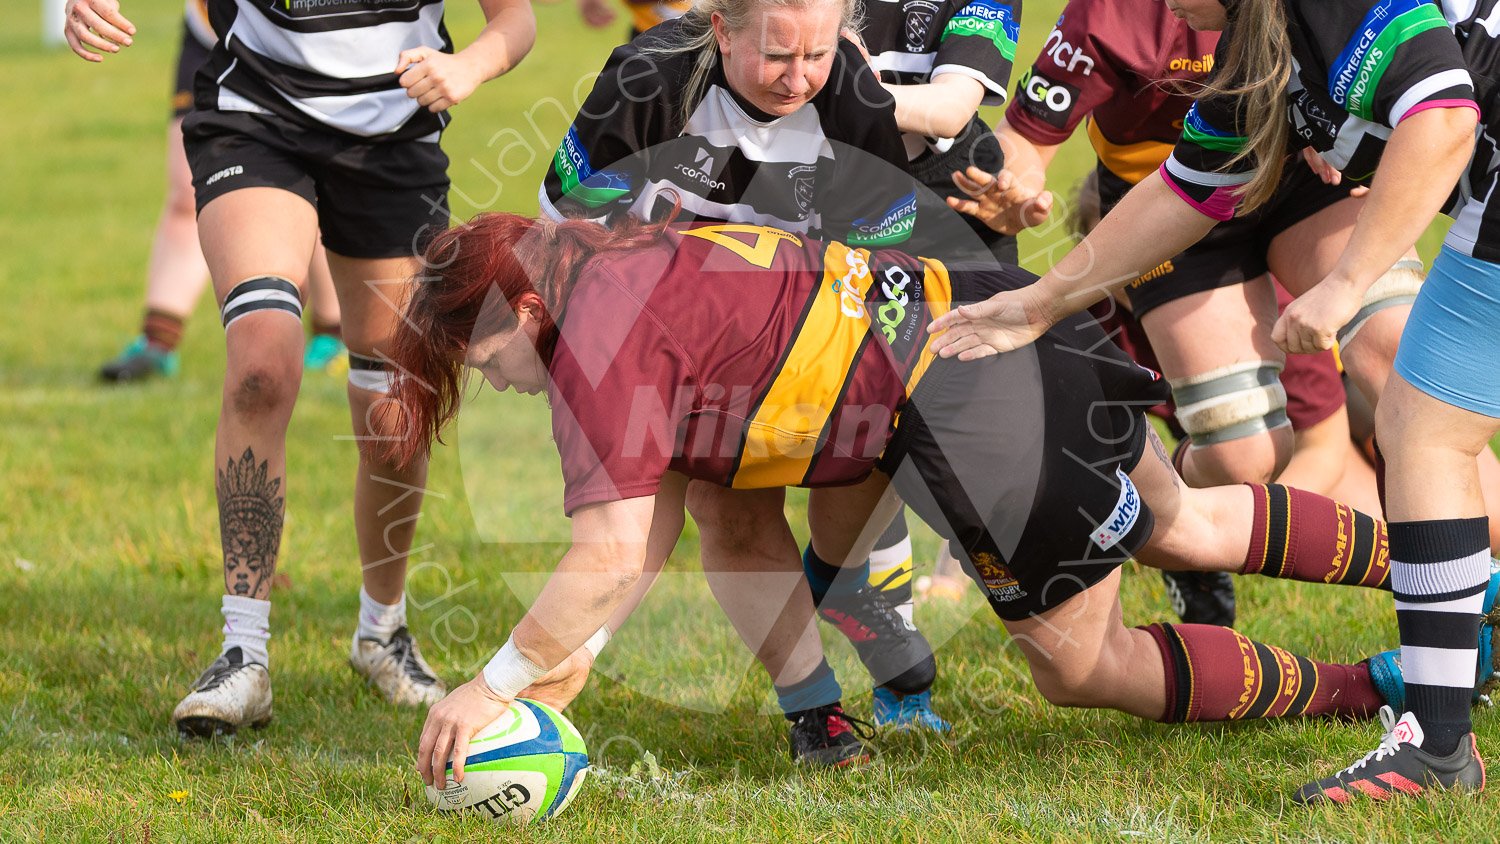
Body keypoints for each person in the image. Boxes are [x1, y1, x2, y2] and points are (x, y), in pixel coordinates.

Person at [373, 212, 1498, 794]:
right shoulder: (620, 258)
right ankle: (1466, 583)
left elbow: (614, 549)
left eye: (478, 363)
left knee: (1081, 665)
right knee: (1192, 518)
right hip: (994, 308)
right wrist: (559, 680)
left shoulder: (594, 354)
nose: (494, 387)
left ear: (520, 321)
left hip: (969, 407)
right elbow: (663, 518)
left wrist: (495, 680)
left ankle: (1378, 684)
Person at [929, 0, 1500, 804]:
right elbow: (1182, 190)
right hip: (1264, 239)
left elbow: (1442, 118)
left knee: (1423, 426)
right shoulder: (1257, 51)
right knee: (1414, 426)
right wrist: (1041, 302)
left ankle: (1439, 746)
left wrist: (1343, 286)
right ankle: (1440, 735)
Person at [64, 0, 537, 736]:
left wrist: (466, 67)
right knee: (262, 363)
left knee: (392, 407)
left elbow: (516, 20)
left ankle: (382, 631)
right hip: (256, 116)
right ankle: (242, 652)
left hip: (392, 143)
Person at [540, 0, 947, 739]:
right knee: (684, 506)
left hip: (789, 332)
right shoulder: (647, 78)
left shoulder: (849, 89)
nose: (799, 80)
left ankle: (827, 642)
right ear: (723, 31)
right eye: (778, 57)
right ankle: (553, 690)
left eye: (816, 56)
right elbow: (562, 237)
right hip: (654, 330)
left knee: (745, 503)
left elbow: (889, 259)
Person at [840, 0, 1020, 727]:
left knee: (993, 459)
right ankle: (900, 678)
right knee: (866, 435)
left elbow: (950, 109)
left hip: (956, 220)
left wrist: (836, 88)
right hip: (832, 209)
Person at [96, 0, 346, 383]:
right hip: (213, 27)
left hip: (306, 35)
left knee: (313, 178)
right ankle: (158, 340)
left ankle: (334, 333)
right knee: (188, 188)